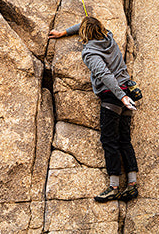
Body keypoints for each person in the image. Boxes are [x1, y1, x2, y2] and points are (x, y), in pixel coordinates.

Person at [49, 16, 139, 202]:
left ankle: (113, 186)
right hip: (127, 92)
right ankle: (132, 184)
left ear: (85, 34)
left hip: (114, 96)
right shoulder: (109, 37)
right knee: (124, 139)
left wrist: (120, 97)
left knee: (109, 140)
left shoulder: (90, 53)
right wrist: (64, 32)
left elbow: (104, 75)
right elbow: (86, 25)